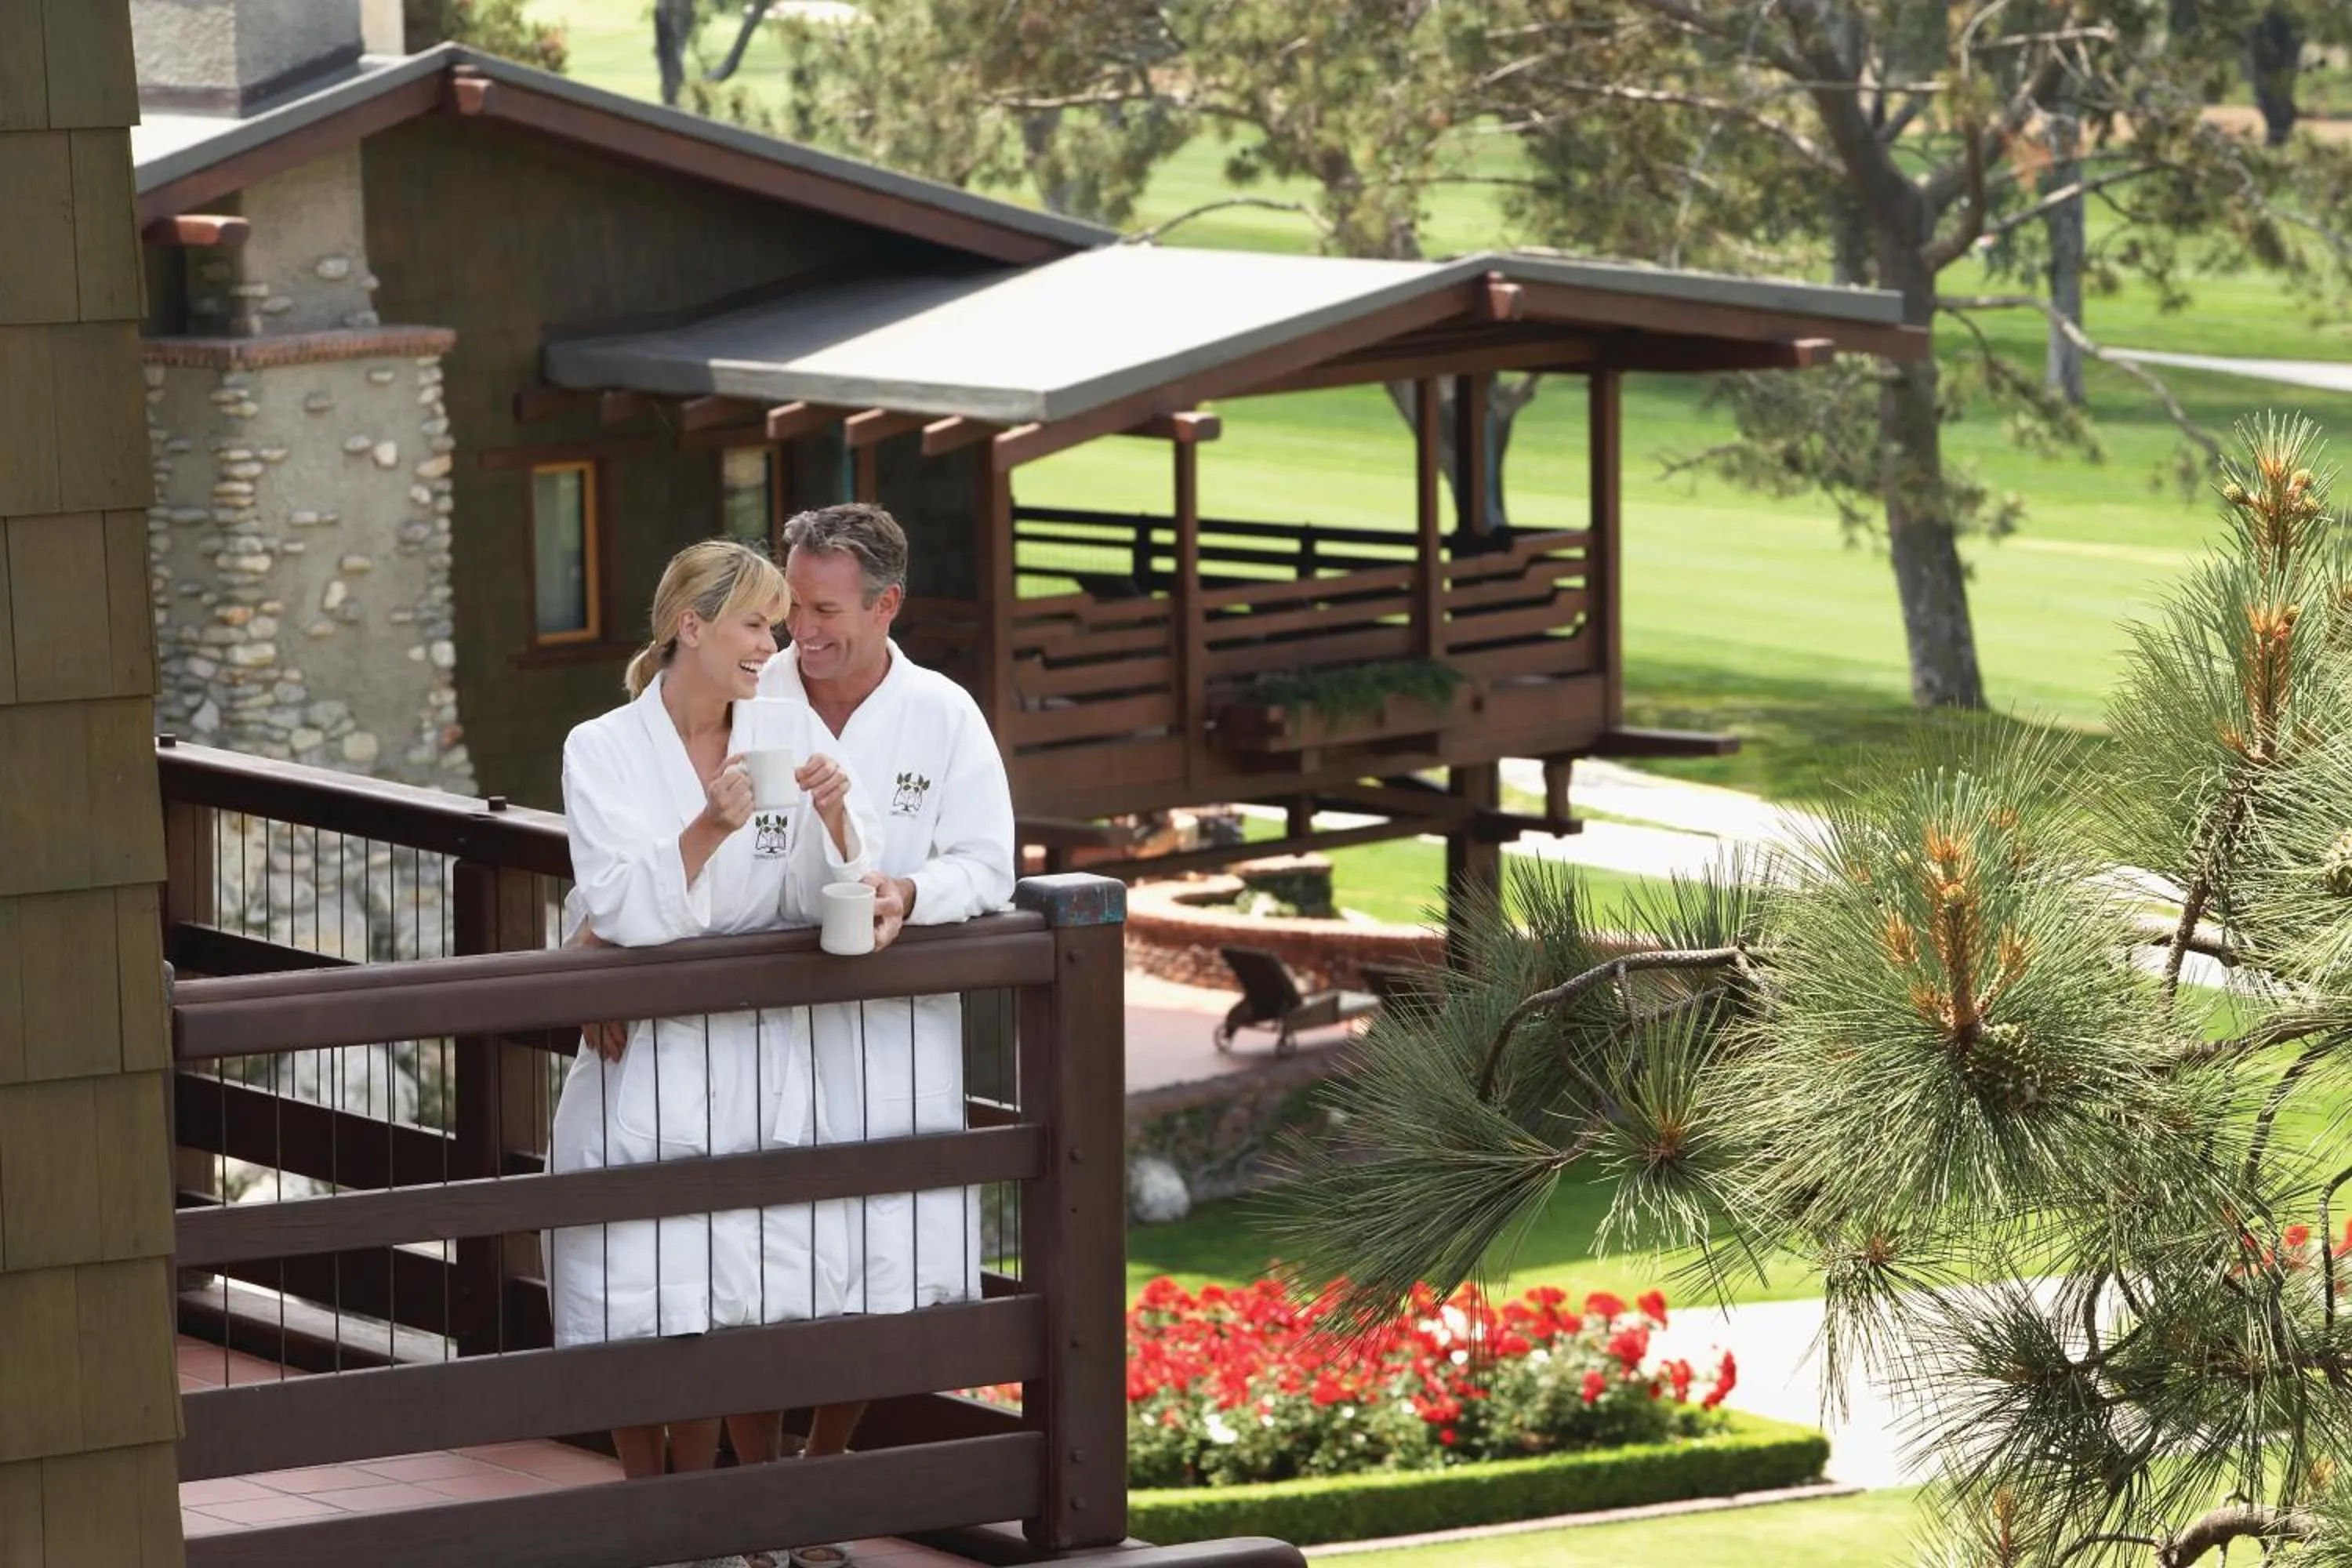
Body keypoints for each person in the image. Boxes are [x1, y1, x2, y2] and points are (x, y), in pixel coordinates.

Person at [546, 538, 889, 1490]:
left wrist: (834, 819)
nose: (771, 642)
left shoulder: (783, 730)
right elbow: (615, 901)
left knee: (742, 1296)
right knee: (640, 1296)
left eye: (777, 625)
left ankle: (716, 1522)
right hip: (645, 1057)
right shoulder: (601, 747)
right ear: (689, 626)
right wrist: (709, 826)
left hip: (752, 1060)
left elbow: (833, 891)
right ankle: (653, 1511)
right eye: (755, 623)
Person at [757, 502, 1018, 1458]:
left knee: (882, 1262)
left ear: (886, 605)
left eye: (825, 609)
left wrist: (911, 888)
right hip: (763, 1022)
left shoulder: (942, 713)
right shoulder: (755, 690)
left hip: (893, 1031)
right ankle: (749, 1493)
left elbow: (990, 865)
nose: (801, 629)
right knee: (756, 1257)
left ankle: (821, 1465)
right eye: (792, 604)